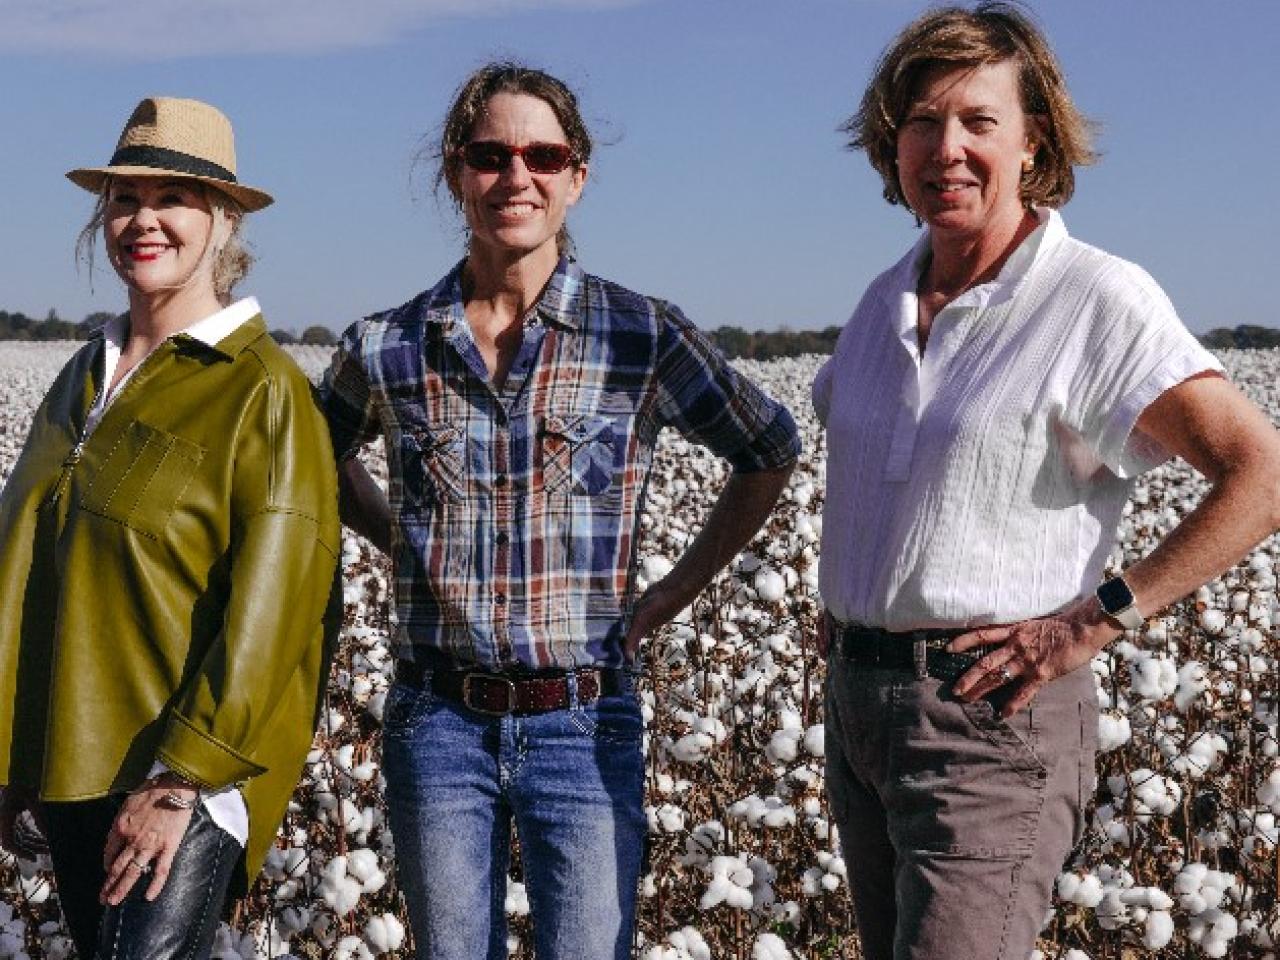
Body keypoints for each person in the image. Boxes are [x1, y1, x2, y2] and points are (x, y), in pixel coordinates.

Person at [815, 4, 1280, 958]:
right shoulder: (880, 301)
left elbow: (1261, 475)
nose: (946, 147)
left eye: (979, 121)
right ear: (891, 146)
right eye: (921, 121)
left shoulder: (1094, 299)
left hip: (987, 725)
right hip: (858, 716)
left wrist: (1097, 616)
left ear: (1033, 144)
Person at [320, 62, 799, 960]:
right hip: (437, 723)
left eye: (543, 155)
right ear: (456, 173)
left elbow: (768, 448)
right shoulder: (384, 345)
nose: (517, 176)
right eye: (489, 154)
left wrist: (678, 592)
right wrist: (398, 537)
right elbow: (315, 461)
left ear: (577, 177)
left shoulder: (640, 334)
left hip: (584, 720)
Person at [0, 97, 340, 960]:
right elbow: (23, 564)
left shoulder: (261, 389)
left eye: (173, 199)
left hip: (174, 780)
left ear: (224, 222)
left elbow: (278, 608)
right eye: (124, 200)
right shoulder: (85, 372)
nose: (143, 220)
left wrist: (183, 776)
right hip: (68, 761)